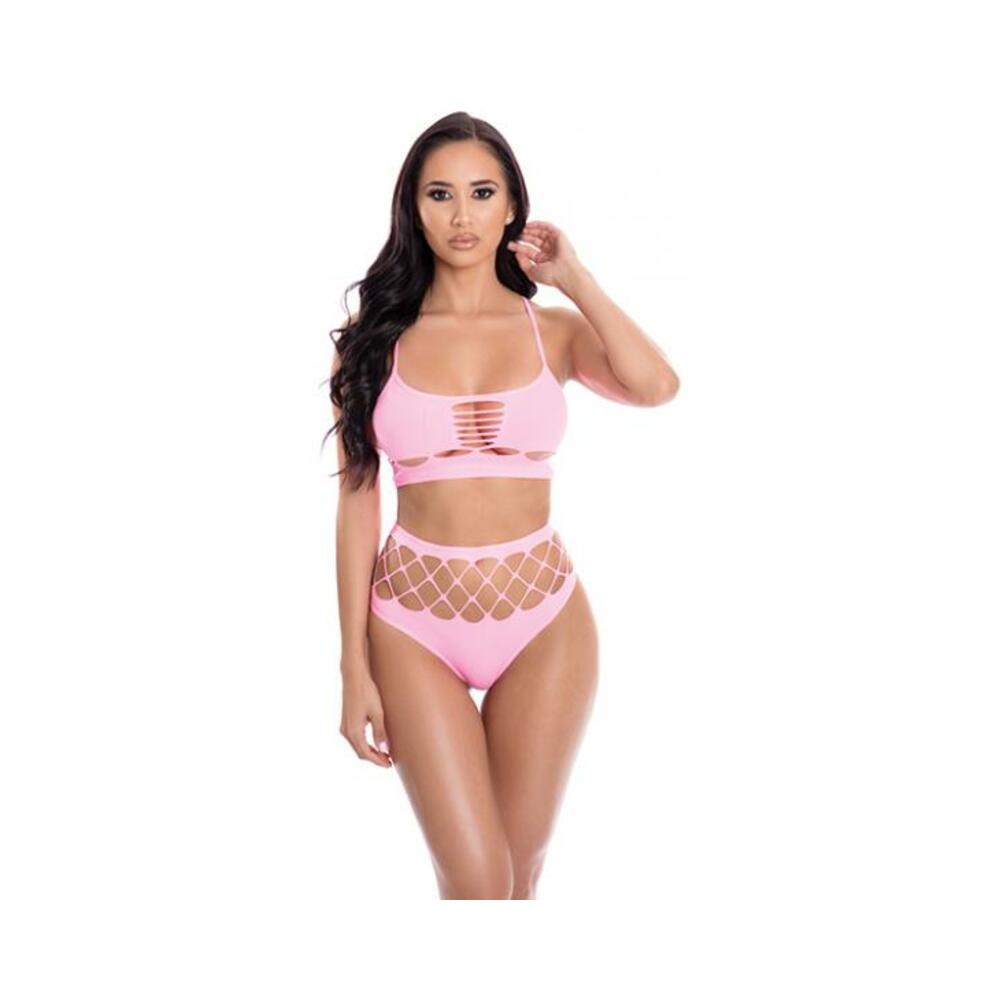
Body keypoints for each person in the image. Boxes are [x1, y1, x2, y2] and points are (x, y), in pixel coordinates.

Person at [325, 112, 680, 899]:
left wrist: (575, 279)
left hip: (544, 622)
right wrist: (352, 664)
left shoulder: (553, 331)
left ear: (514, 205)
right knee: (479, 883)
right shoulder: (372, 340)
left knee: (518, 883)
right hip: (412, 623)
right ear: (413, 208)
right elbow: (356, 503)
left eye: (482, 193)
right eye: (440, 194)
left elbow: (657, 386)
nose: (462, 215)